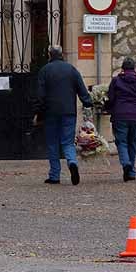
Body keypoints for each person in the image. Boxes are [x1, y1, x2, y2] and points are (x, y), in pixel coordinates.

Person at [36, 45, 92, 185]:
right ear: (62, 54)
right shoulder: (71, 70)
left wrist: (38, 112)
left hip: (50, 112)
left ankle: (55, 175)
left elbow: (40, 94)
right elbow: (81, 88)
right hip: (69, 111)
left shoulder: (45, 70)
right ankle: (72, 162)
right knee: (67, 142)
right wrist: (87, 102)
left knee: (52, 143)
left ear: (49, 55)